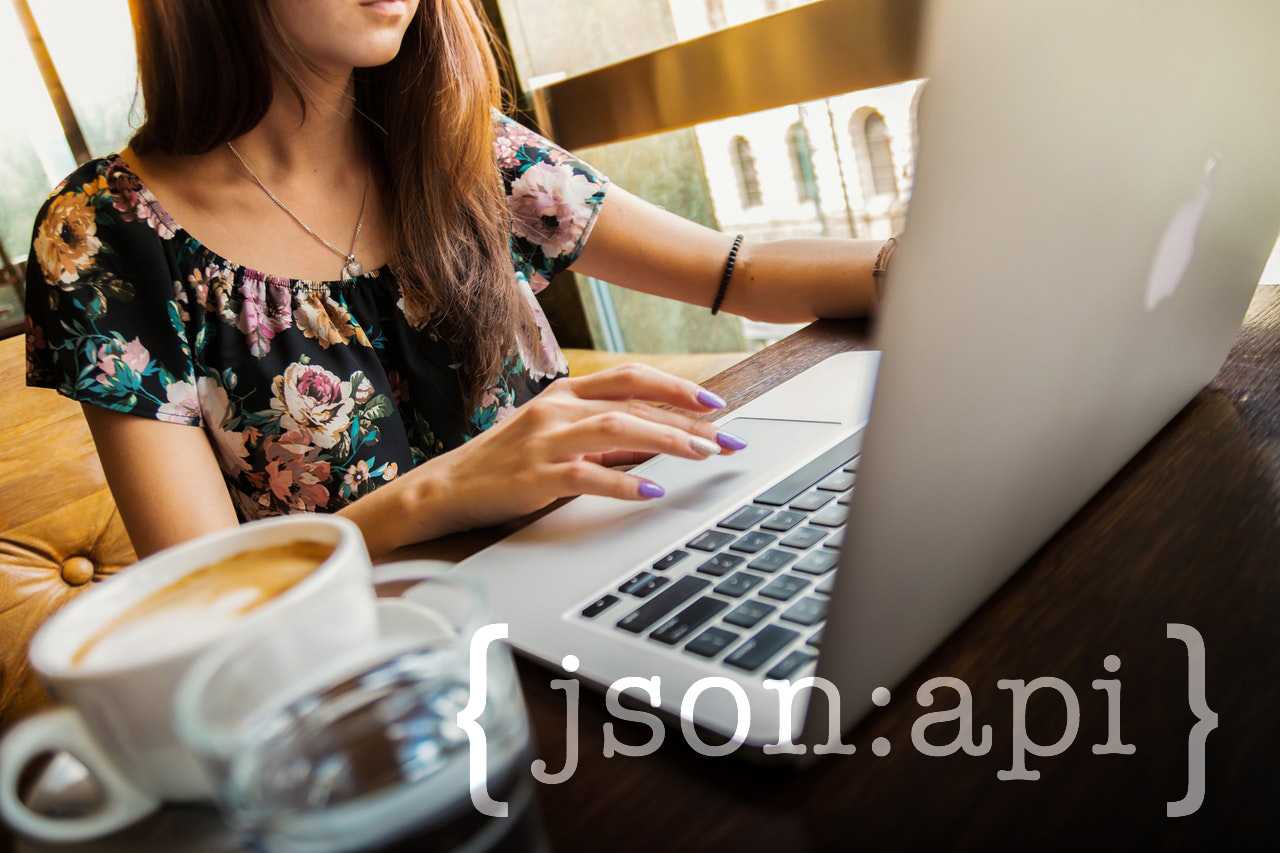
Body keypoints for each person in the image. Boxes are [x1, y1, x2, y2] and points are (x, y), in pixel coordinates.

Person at [24, 0, 887, 560]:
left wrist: (925, 262)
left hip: (595, 573)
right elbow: (202, 592)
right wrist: (444, 490)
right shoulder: (105, 233)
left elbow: (734, 272)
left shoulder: (459, 143)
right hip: (375, 681)